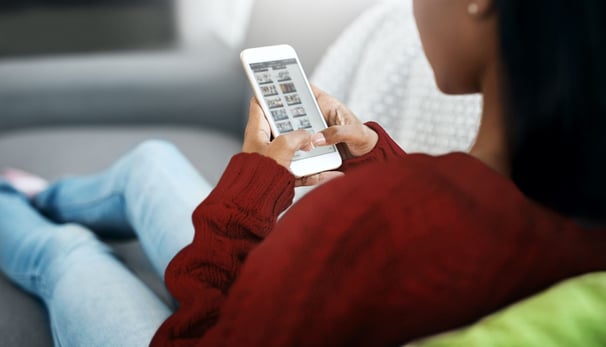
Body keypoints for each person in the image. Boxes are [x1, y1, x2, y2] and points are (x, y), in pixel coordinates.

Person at [1, 0, 606, 346]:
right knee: (152, 161)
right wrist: (370, 152)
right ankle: (45, 194)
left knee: (73, 257)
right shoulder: (567, 211)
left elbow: (207, 335)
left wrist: (248, 193)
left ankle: (15, 204)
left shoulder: (364, 224)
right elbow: (448, 223)